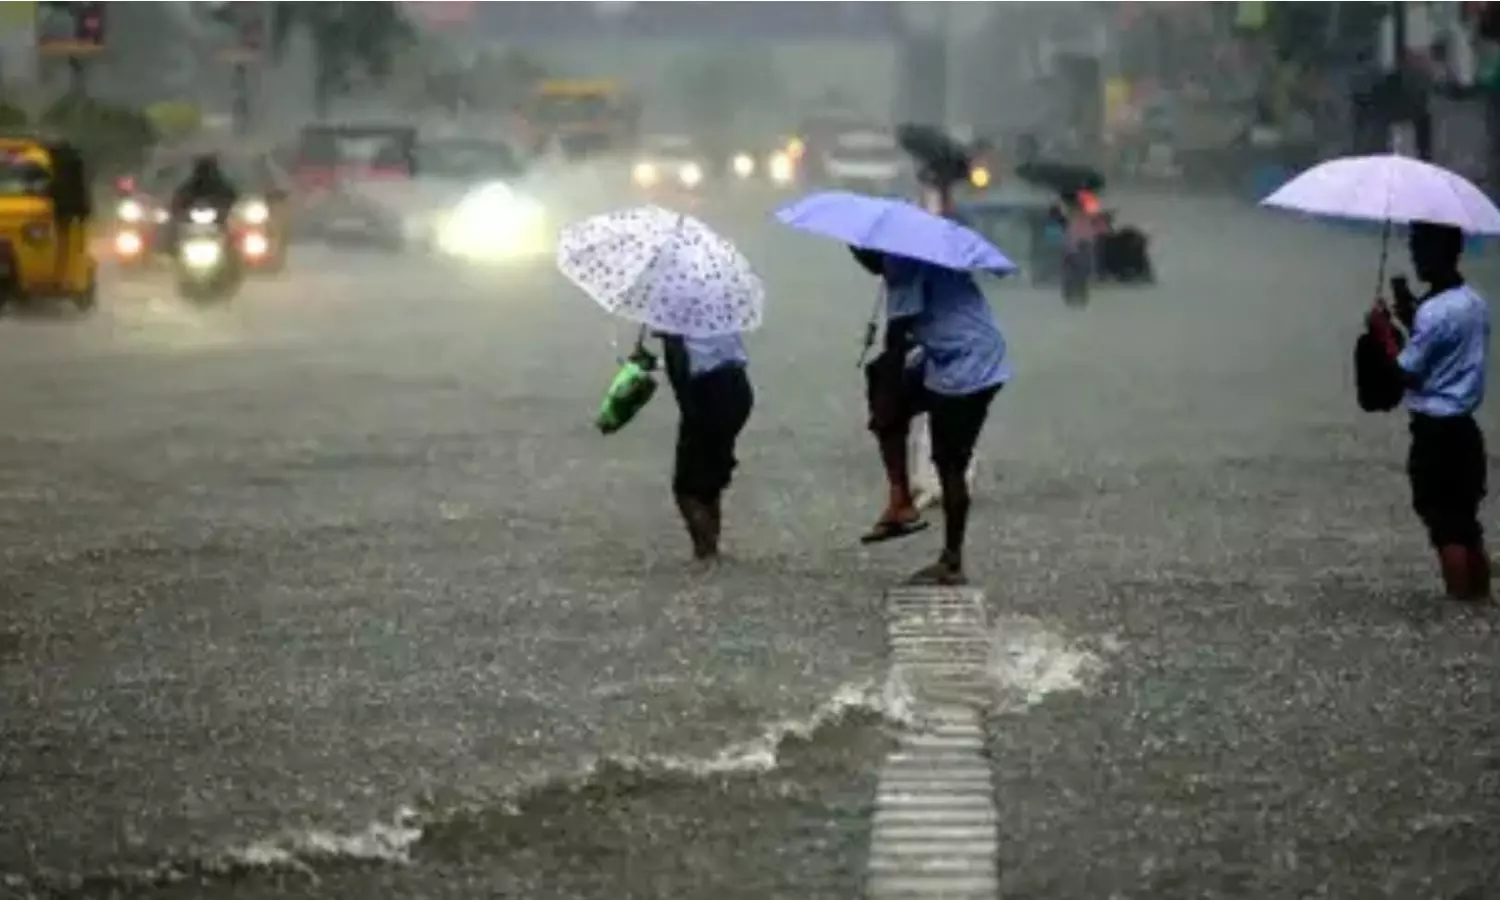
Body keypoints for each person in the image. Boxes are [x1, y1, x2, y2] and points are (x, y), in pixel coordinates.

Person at [854, 247, 1009, 586]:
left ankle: (951, 560)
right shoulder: (917, 257)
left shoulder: (902, 262)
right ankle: (900, 500)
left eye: (860, 254)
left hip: (967, 367)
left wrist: (885, 407)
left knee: (949, 460)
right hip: (967, 354)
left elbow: (897, 340)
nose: (860, 263)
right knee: (884, 387)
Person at [1366, 221, 1491, 601]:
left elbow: (1406, 373)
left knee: (1444, 528)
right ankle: (1480, 605)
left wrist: (1383, 333)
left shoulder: (1435, 313)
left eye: (1421, 248)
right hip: (1466, 431)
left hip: (1435, 433)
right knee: (1467, 525)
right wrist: (1409, 316)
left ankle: (1457, 608)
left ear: (1441, 251)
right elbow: (1443, 347)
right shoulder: (1474, 302)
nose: (1416, 256)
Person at [657, 330, 754, 564]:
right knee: (710, 479)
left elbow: (679, 367)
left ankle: (707, 551)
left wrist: (690, 412)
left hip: (706, 392)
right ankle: (710, 547)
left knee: (686, 488)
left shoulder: (672, 314)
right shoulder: (718, 302)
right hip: (738, 387)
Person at [170, 154, 239, 220]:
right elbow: (181, 196)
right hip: (193, 216)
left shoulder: (220, 184)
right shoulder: (193, 184)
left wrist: (226, 207)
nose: (205, 173)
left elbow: (231, 196)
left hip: (217, 216)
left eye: (207, 169)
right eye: (203, 169)